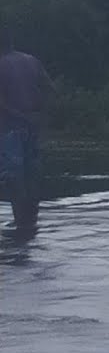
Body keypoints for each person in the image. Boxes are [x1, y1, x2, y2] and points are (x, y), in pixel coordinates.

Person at [0, 27, 55, 233]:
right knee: (32, 175)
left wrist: (17, 115)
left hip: (10, 128)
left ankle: (21, 224)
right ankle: (30, 222)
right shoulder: (31, 60)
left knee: (14, 178)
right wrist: (41, 115)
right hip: (32, 125)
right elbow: (50, 89)